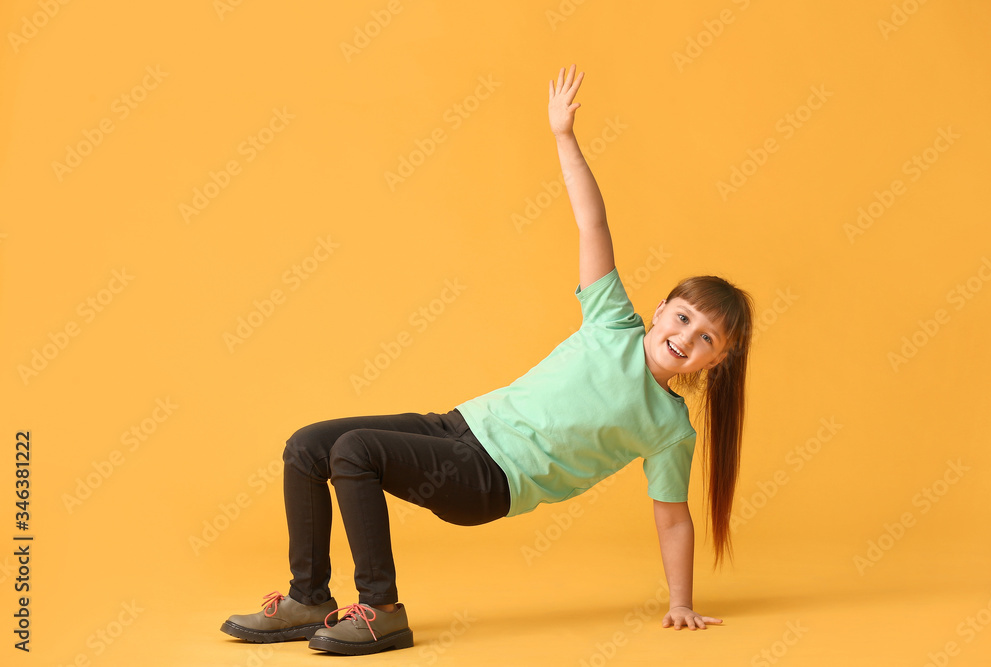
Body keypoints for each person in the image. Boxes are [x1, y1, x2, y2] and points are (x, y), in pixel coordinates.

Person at [220, 63, 754, 656]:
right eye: (684, 317)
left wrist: (679, 602)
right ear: (659, 311)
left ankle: (381, 610)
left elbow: (673, 518)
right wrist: (564, 137)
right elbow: (592, 221)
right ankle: (308, 598)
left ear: (714, 363)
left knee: (355, 453)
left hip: (491, 479)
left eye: (707, 339)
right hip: (458, 426)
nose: (687, 337)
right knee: (308, 444)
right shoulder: (611, 321)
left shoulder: (668, 429)